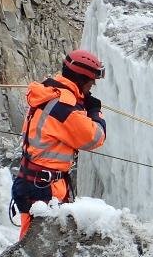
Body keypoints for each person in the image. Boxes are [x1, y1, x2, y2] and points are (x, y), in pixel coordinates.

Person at [11, 49, 107, 239]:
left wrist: (80, 101)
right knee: (38, 246)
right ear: (80, 79)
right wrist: (95, 112)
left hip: (34, 181)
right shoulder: (63, 107)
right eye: (91, 80)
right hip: (43, 187)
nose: (93, 85)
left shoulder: (49, 92)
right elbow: (95, 137)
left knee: (33, 242)